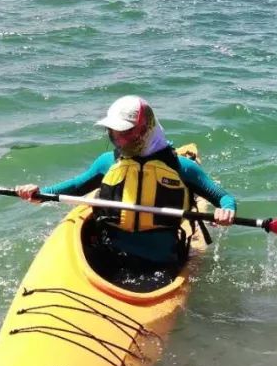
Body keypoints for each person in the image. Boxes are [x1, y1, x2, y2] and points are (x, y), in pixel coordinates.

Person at [16, 96, 236, 269]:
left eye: (127, 132)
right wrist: (39, 193)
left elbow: (224, 198)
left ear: (147, 128)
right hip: (110, 255)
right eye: (114, 132)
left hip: (161, 263)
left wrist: (226, 211)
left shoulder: (182, 168)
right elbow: (75, 186)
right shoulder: (107, 163)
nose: (119, 140)